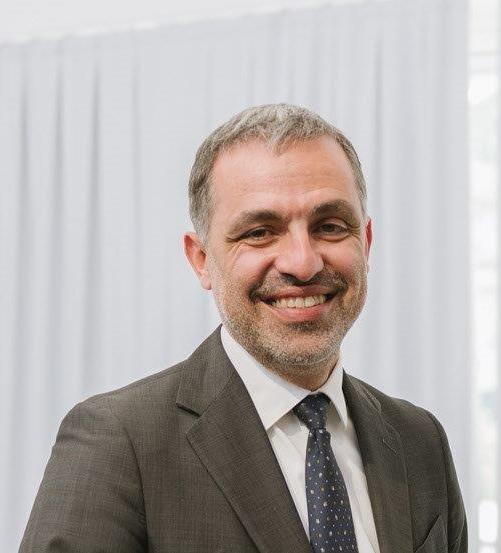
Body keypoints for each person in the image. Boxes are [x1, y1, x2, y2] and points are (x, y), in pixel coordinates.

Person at [20, 104, 467, 553]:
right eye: (259, 232)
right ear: (201, 260)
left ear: (365, 243)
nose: (303, 263)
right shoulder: (120, 442)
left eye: (330, 227)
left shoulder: (419, 440)